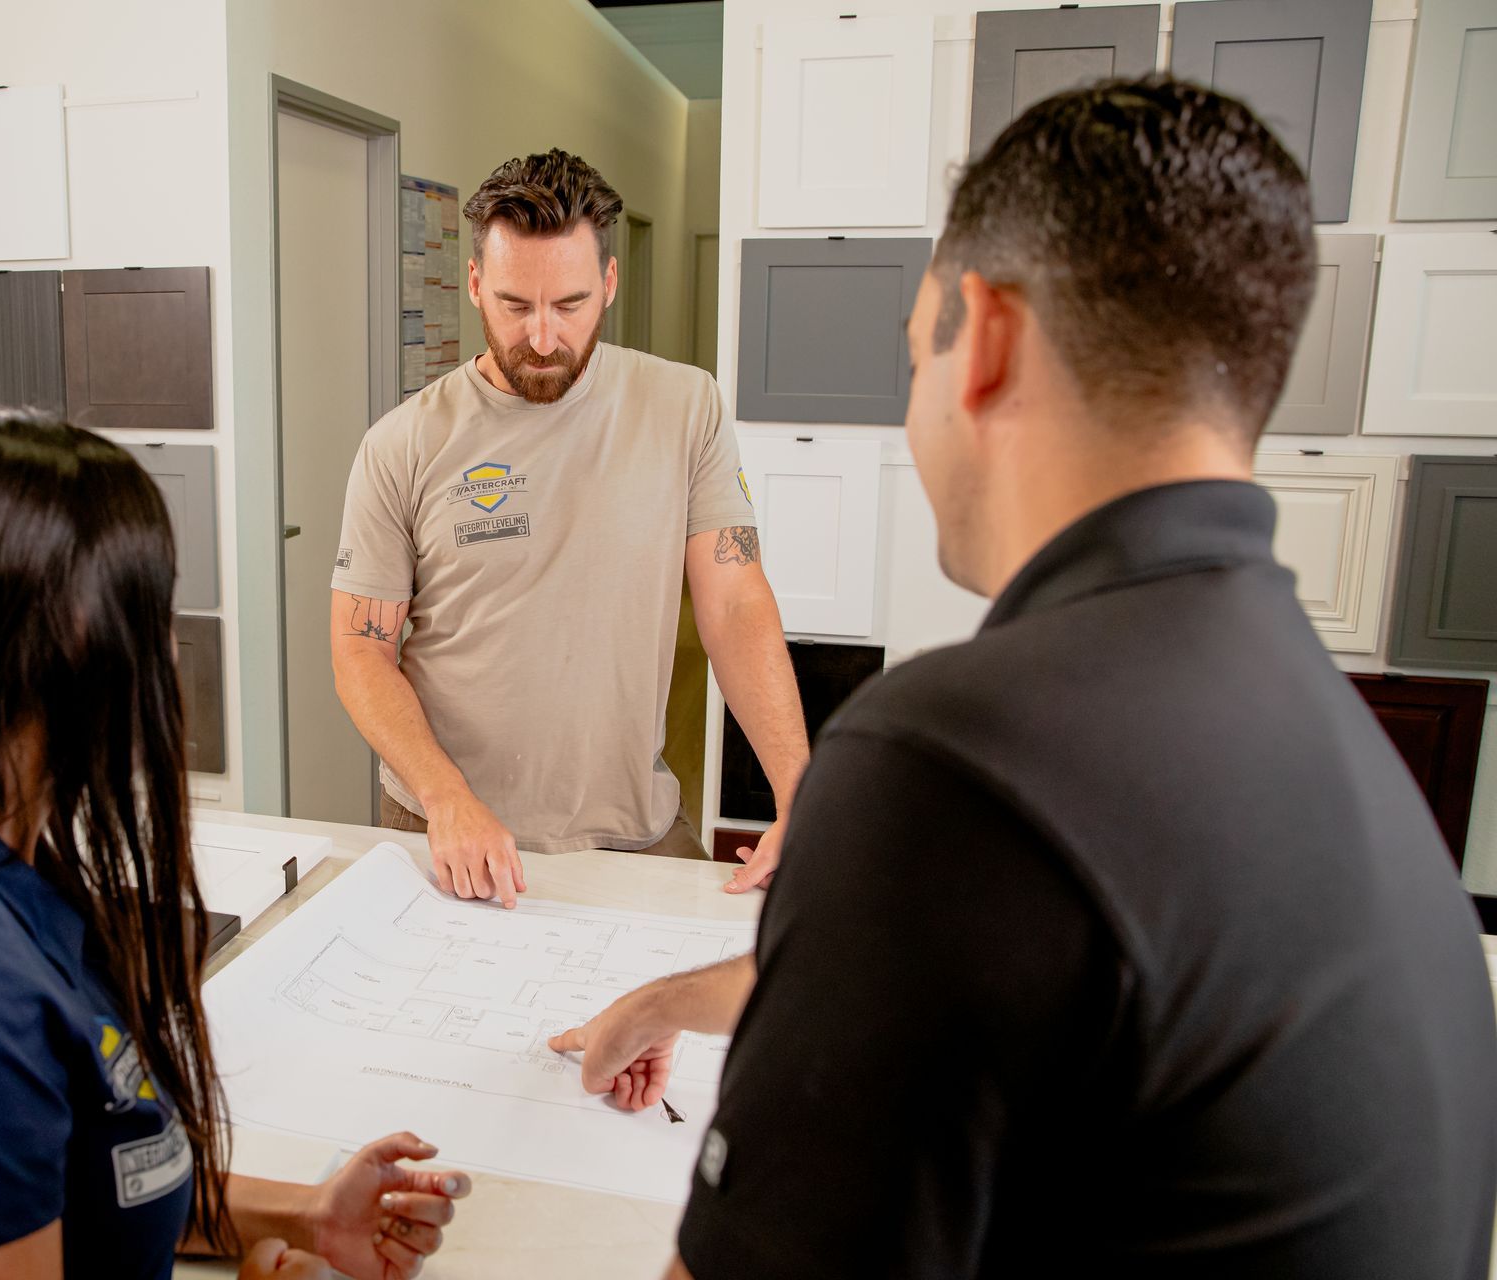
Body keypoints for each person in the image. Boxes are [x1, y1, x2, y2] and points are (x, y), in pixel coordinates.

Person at [549, 79, 1497, 1277]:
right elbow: (1032, 982)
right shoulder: (1343, 750)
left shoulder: (949, 759)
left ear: (984, 339)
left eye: (912, 358)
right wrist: (676, 998)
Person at [0, 409, 468, 1280]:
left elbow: (75, 1178)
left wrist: (302, 1213)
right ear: (75, 634)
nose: (167, 659)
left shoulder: (4, 867)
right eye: (149, 614)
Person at [332, 149, 808, 907]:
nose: (545, 338)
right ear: (477, 286)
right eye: (517, 306)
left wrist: (798, 789)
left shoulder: (686, 409)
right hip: (442, 825)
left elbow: (735, 604)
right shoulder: (403, 444)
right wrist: (446, 797)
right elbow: (361, 649)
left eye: (571, 304)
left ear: (610, 286)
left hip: (631, 828)